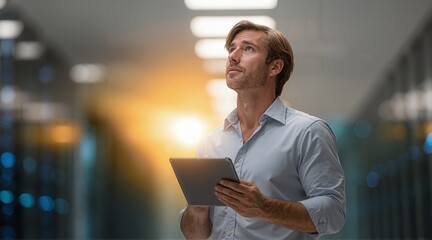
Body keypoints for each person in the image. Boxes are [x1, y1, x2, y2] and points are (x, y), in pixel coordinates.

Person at [179, 20, 345, 239]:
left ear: (274, 67)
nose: (233, 56)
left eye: (248, 48)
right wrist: (197, 211)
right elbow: (195, 234)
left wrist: (264, 207)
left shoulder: (307, 131)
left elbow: (333, 212)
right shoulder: (211, 142)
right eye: (232, 49)